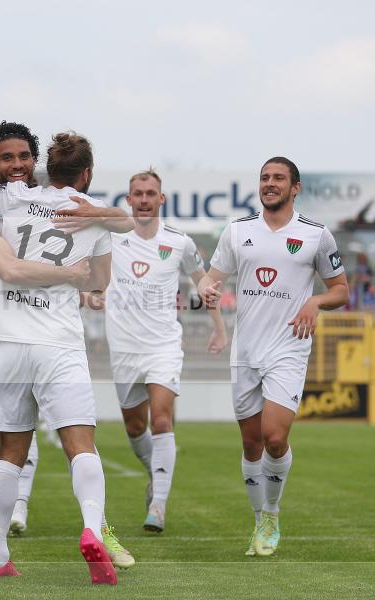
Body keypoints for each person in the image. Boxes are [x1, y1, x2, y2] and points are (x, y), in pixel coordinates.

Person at [0, 131, 133, 584]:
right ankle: (91, 529)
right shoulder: (91, 218)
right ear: (86, 173)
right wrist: (93, 231)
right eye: (9, 157)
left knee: (10, 454)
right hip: (57, 345)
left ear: (42, 165)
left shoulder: (11, 201)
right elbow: (98, 283)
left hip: (8, 343)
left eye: (25, 157)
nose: (17, 164)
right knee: (81, 446)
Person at [198, 157, 348, 557]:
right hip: (246, 350)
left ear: (295, 187)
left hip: (289, 348)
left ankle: (272, 512)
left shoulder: (316, 235)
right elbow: (211, 279)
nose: (269, 183)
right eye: (264, 178)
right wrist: (207, 290)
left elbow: (341, 290)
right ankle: (258, 522)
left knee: (275, 438)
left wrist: (316, 301)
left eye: (278, 178)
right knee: (251, 445)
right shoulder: (237, 231)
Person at [93, 168, 227, 533]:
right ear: (129, 199)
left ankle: (159, 506)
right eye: (138, 193)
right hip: (123, 349)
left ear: (161, 199)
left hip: (163, 345)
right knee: (135, 427)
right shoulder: (110, 238)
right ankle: (157, 475)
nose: (144, 199)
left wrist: (218, 325)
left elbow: (202, 280)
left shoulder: (179, 242)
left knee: (162, 418)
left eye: (151, 193)